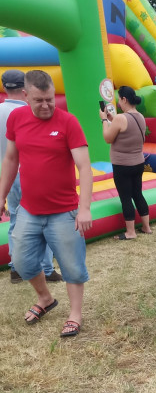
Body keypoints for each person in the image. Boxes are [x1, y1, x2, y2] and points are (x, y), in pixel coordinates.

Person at [0, 69, 92, 336]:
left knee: (72, 266)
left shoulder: (68, 122)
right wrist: (2, 194)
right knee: (22, 261)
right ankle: (45, 299)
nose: (46, 105)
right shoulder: (16, 118)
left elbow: (84, 167)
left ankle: (75, 314)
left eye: (50, 99)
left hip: (64, 212)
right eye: (39, 100)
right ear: (26, 96)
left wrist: (84, 209)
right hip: (28, 209)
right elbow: (11, 160)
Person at [0, 69, 61, 284]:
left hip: (5, 173)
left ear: (5, 87)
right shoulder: (29, 112)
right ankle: (45, 268)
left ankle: (16, 267)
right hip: (28, 174)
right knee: (41, 219)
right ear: (25, 91)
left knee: (16, 219)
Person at [100, 85, 151, 240]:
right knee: (137, 194)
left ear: (124, 99)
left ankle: (130, 232)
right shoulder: (140, 116)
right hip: (138, 163)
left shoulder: (122, 118)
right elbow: (126, 128)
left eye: (119, 100)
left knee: (125, 197)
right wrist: (111, 119)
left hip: (122, 165)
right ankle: (146, 227)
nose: (119, 103)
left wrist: (103, 120)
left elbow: (108, 138)